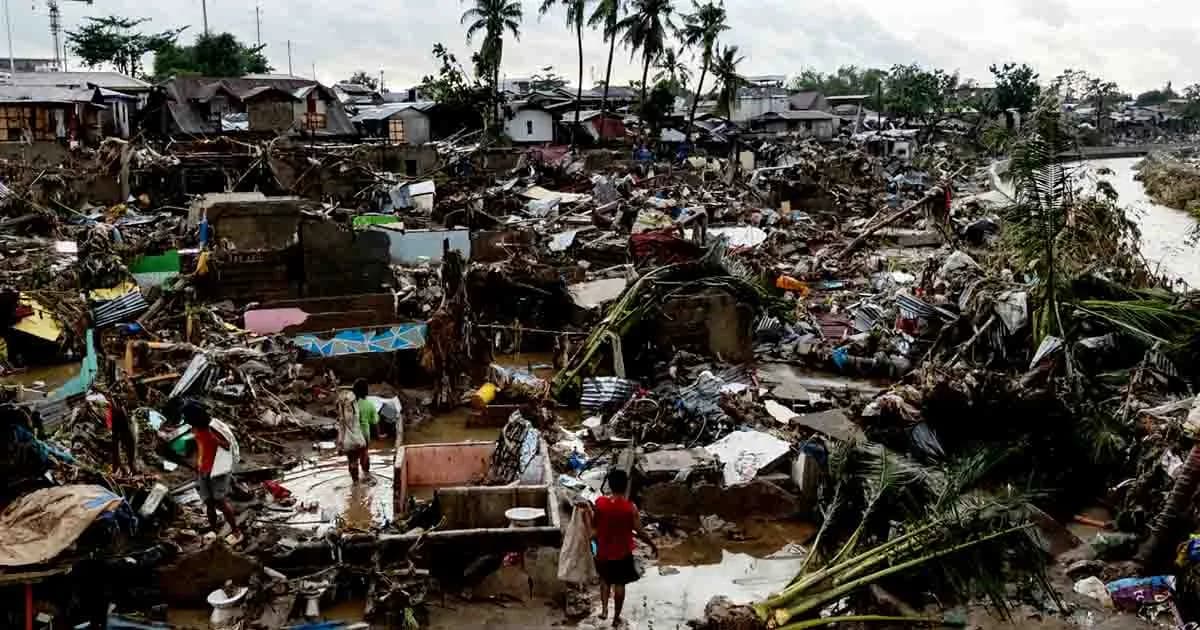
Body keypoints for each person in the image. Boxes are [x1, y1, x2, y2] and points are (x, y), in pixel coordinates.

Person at [591, 469, 657, 627]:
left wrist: (590, 541)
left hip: (603, 551)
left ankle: (605, 610)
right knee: (620, 584)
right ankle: (616, 618)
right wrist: (652, 544)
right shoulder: (630, 508)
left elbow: (594, 528)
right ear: (626, 486)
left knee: (605, 580)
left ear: (609, 485)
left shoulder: (600, 503)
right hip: (622, 552)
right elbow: (640, 532)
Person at [182, 399, 243, 545]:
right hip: (203, 468)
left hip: (218, 469)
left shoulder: (213, 427)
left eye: (188, 418)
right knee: (208, 502)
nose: (186, 421)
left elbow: (227, 446)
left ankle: (236, 531)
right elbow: (200, 445)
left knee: (220, 501)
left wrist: (215, 439)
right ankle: (214, 531)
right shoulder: (195, 428)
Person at [335, 382, 370, 484]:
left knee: (352, 461)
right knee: (360, 457)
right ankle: (362, 480)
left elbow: (342, 424)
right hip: (355, 438)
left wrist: (340, 443)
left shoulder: (346, 402)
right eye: (366, 391)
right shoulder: (351, 403)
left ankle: (355, 484)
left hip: (347, 439)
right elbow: (348, 421)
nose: (367, 394)